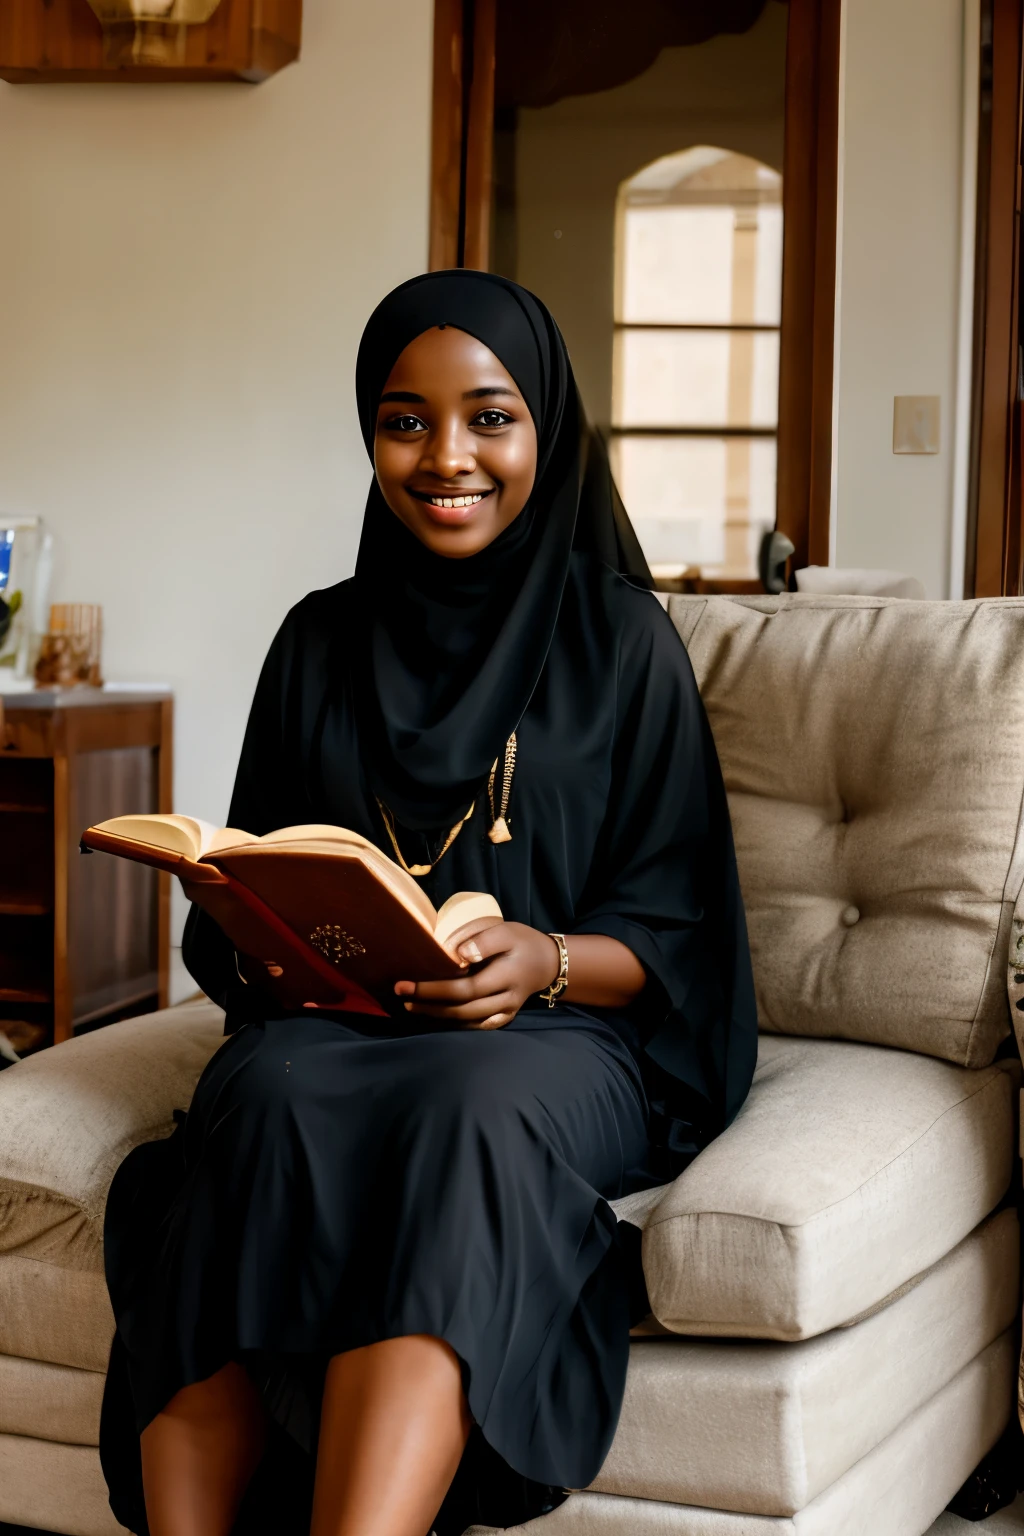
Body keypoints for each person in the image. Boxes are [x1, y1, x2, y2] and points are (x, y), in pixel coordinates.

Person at [100, 271, 758, 1536]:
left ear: (545, 431)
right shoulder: (316, 641)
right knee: (265, 1091)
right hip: (333, 1030)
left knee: (467, 1106)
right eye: (405, 421)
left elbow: (681, 934)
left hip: (551, 1040)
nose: (445, 457)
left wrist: (543, 960)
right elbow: (244, 882)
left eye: (489, 418)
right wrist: (257, 927)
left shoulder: (624, 644)